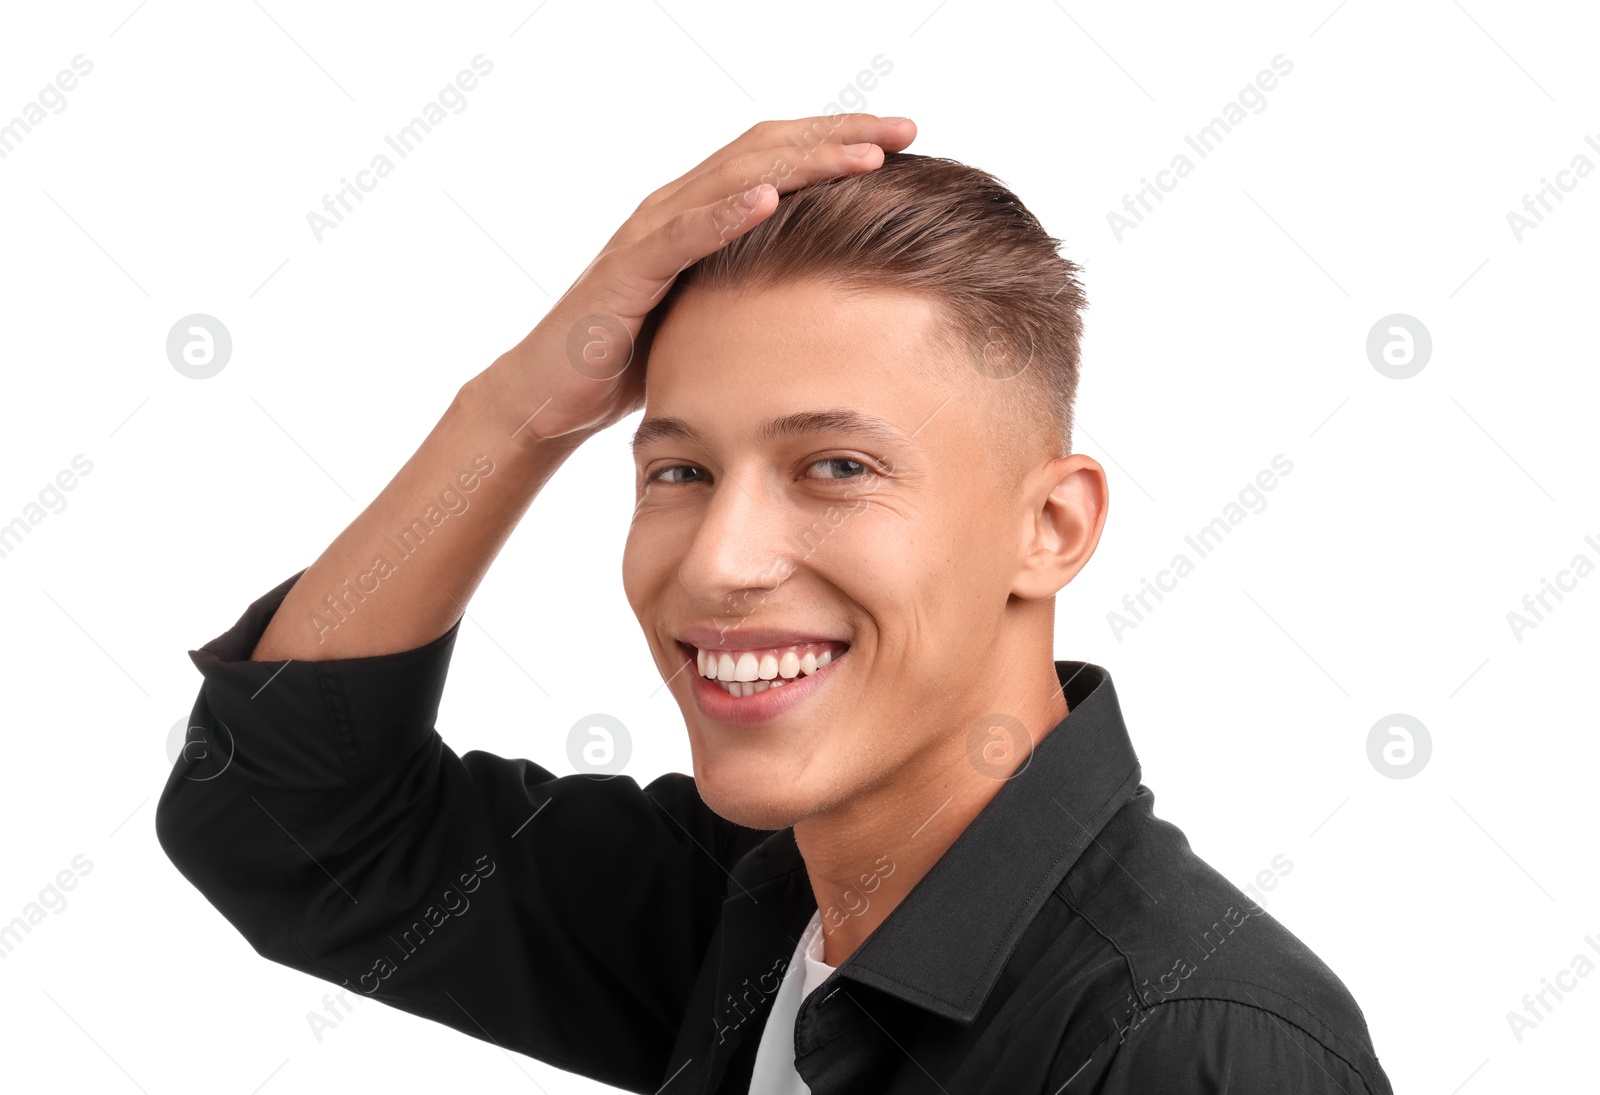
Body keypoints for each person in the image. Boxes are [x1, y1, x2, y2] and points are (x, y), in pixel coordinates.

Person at [156, 114, 1393, 1094]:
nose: (719, 562)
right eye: (678, 471)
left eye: (836, 468)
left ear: (1049, 529)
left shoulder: (1195, 1046)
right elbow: (290, 827)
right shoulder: (756, 904)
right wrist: (525, 409)